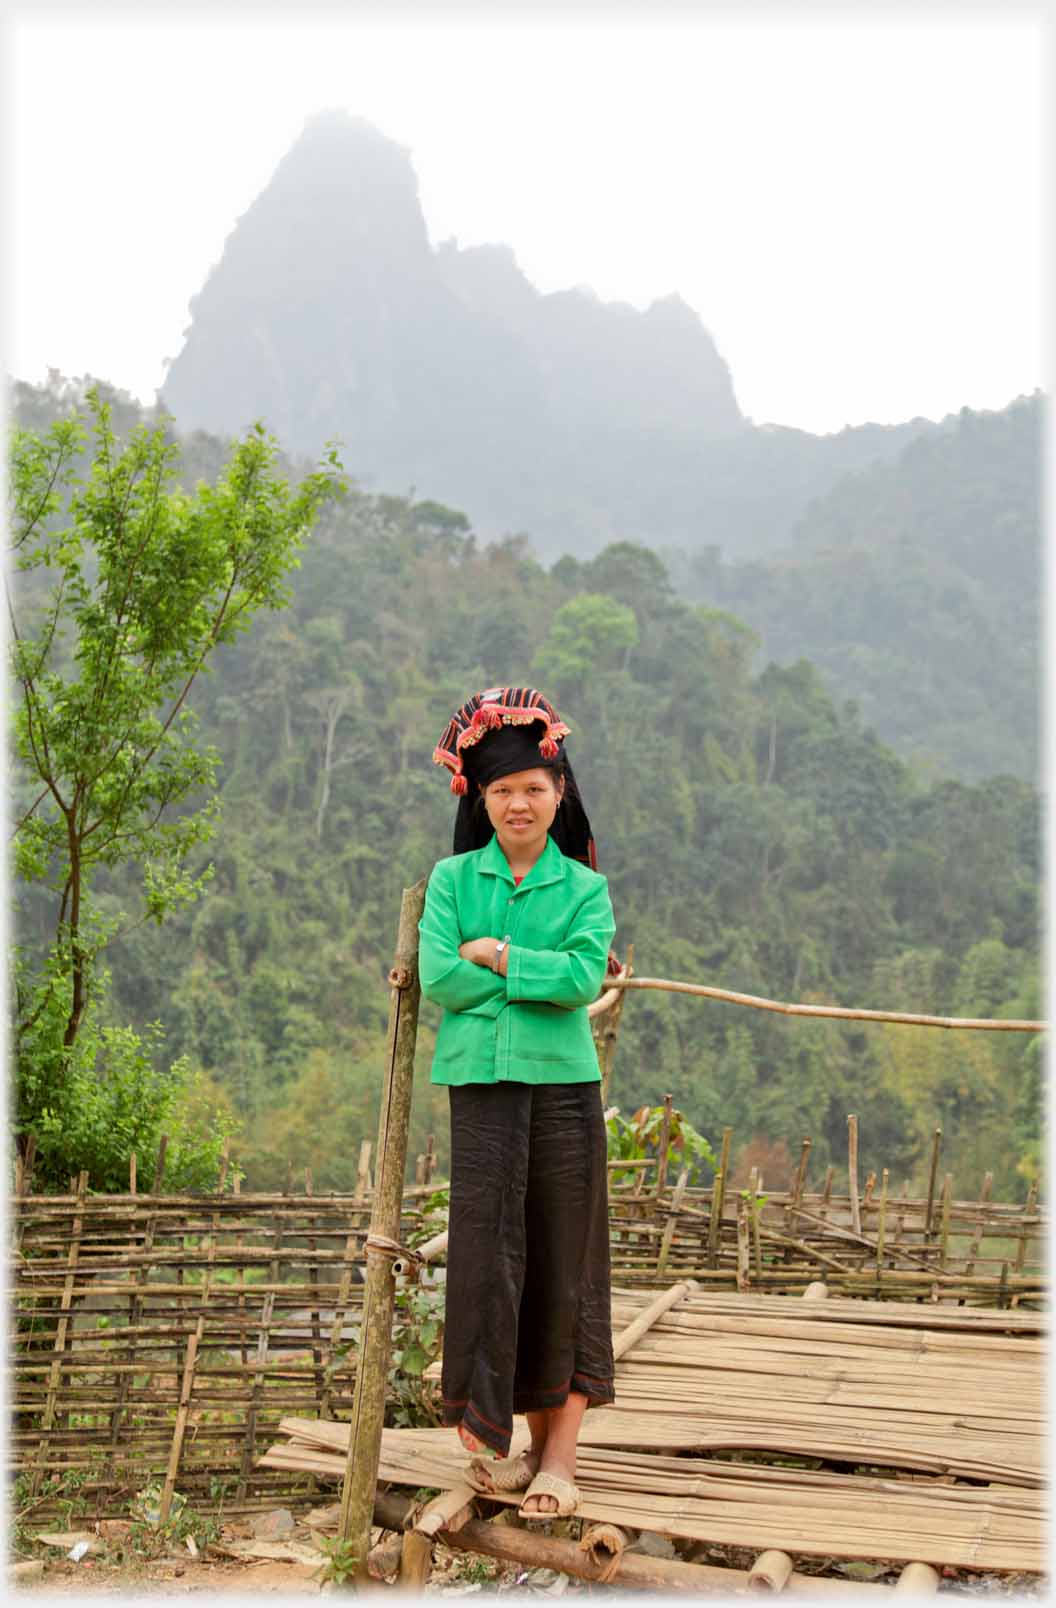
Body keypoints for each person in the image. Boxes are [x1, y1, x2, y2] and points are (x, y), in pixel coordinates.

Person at [418, 687, 616, 1521]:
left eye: (534, 787)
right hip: (483, 1093)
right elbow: (437, 977)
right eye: (502, 791)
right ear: (481, 800)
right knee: (487, 1263)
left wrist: (497, 957)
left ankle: (558, 1462)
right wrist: (527, 978)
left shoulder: (584, 888)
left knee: (564, 1266)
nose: (519, 802)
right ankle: (489, 1442)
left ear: (558, 792)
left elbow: (581, 978)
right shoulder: (452, 879)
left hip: (565, 1094)